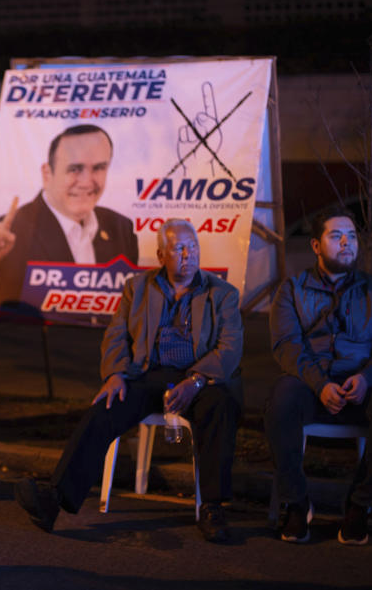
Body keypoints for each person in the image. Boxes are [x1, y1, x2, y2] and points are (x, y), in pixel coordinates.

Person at [14, 218, 242, 542]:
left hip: (199, 377)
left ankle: (213, 508)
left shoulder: (222, 294)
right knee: (104, 408)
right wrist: (115, 374)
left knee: (220, 405)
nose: (188, 254)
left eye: (194, 247)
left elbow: (230, 348)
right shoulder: (138, 287)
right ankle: (55, 501)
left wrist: (196, 381)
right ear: (162, 255)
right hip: (147, 374)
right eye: (179, 248)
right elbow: (116, 336)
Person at [266, 208, 372, 545]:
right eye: (336, 236)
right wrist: (320, 384)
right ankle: (297, 503)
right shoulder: (291, 290)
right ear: (317, 246)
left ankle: (359, 506)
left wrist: (366, 378)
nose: (347, 243)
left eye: (352, 236)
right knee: (281, 398)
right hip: (310, 386)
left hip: (362, 387)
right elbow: (286, 346)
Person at [0, 124, 139, 307]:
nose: (87, 182)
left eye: (99, 168)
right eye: (75, 169)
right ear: (47, 174)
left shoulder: (121, 229)